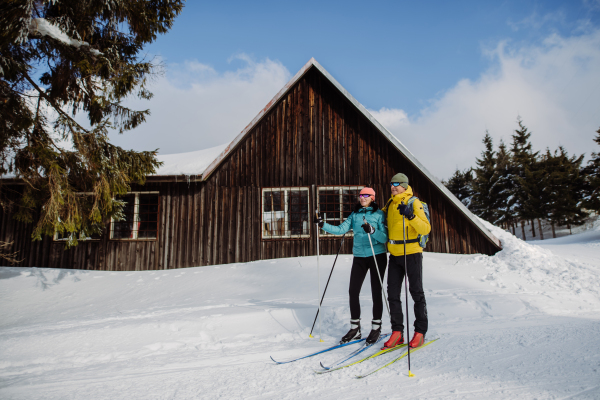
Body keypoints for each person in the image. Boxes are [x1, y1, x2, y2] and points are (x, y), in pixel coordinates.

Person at [314, 187, 388, 345]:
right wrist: (322, 225)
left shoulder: (379, 214)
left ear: (373, 198)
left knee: (376, 291)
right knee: (353, 291)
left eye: (366, 195)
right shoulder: (355, 214)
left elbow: (384, 237)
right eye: (361, 195)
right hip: (359, 257)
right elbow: (341, 229)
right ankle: (355, 328)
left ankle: (376, 327)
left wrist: (372, 230)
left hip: (377, 256)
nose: (362, 198)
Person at [380, 173, 431, 350]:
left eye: (396, 184)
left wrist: (410, 216)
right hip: (394, 255)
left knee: (416, 292)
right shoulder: (390, 204)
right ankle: (397, 332)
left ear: (404, 185)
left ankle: (420, 332)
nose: (393, 186)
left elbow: (425, 228)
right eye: (391, 183)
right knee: (392, 294)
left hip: (411, 253)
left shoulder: (413, 203)